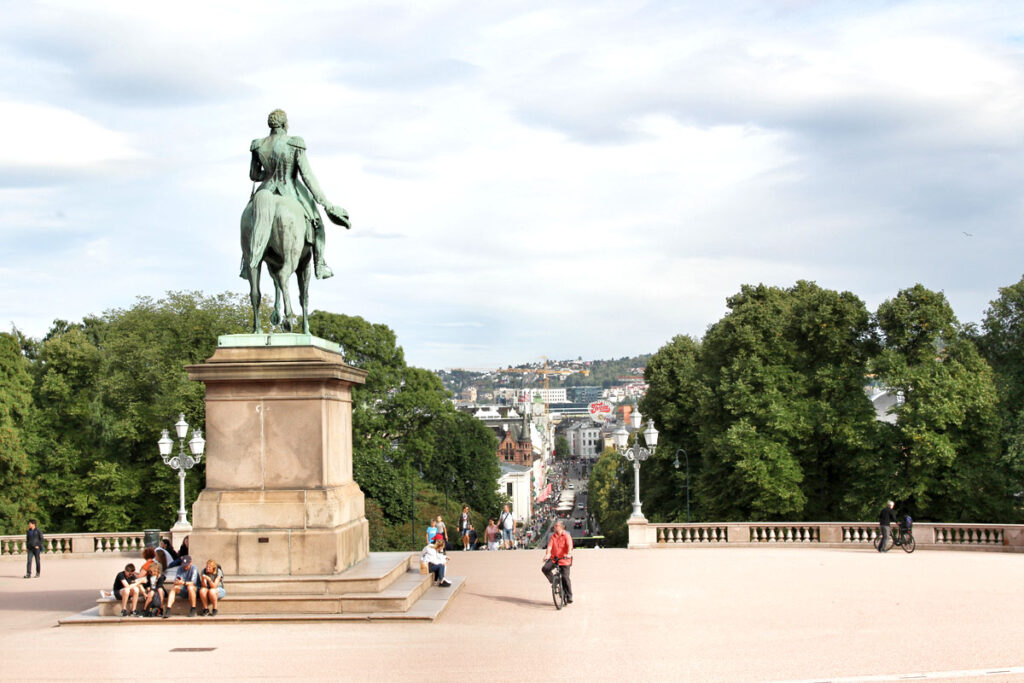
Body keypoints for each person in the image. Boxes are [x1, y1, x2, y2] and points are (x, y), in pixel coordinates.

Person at [242, 109, 347, 280]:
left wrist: (267, 175)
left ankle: (246, 266)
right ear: (284, 124)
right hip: (290, 189)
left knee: (252, 221)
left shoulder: (258, 145)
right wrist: (324, 202)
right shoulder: (294, 143)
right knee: (317, 224)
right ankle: (320, 265)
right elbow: (307, 175)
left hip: (265, 189)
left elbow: (254, 175)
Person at [542, 519, 574, 604]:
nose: (555, 527)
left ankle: (569, 596)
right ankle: (554, 582)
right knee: (545, 568)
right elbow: (549, 546)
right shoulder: (553, 536)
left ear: (562, 527)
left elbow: (569, 545)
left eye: (556, 526)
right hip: (554, 558)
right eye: (554, 526)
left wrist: (569, 553)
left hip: (564, 560)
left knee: (565, 577)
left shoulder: (566, 536)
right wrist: (547, 554)